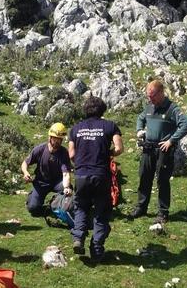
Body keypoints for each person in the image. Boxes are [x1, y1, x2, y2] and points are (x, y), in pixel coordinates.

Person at [68, 96, 123, 263]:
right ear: (102, 109)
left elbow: (71, 154)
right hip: (101, 175)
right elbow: (119, 148)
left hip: (82, 175)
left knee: (81, 207)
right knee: (101, 212)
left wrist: (80, 162)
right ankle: (97, 248)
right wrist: (109, 154)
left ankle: (78, 238)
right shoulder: (110, 126)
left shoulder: (76, 128)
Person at [130, 80, 187, 224]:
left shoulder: (172, 108)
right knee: (144, 177)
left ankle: (163, 212)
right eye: (148, 96)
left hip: (163, 149)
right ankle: (141, 207)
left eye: (152, 96)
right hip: (148, 148)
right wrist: (140, 130)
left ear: (161, 93)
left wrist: (171, 140)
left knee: (162, 181)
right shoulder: (149, 107)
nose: (150, 99)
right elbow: (140, 118)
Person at [21, 123, 73, 217]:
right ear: (50, 137)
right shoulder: (39, 149)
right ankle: (34, 199)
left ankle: (56, 204)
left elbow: (66, 173)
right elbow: (25, 163)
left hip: (57, 182)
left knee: (68, 189)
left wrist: (66, 187)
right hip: (41, 182)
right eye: (55, 139)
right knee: (33, 209)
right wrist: (25, 172)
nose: (57, 142)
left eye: (59, 140)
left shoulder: (64, 153)